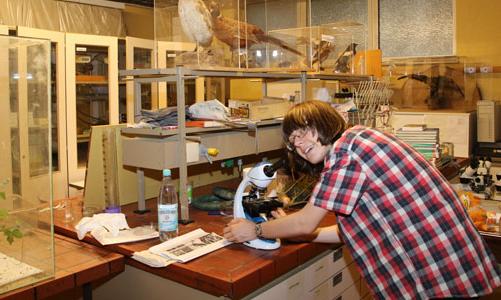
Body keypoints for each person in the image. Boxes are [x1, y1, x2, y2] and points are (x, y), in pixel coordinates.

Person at [224, 100, 501, 299]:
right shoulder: (360, 140)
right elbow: (355, 228)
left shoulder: (347, 153)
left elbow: (305, 221)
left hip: (438, 271)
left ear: (324, 124)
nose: (299, 145)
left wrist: (255, 229)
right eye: (293, 142)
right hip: (446, 266)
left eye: (303, 132)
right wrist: (303, 235)